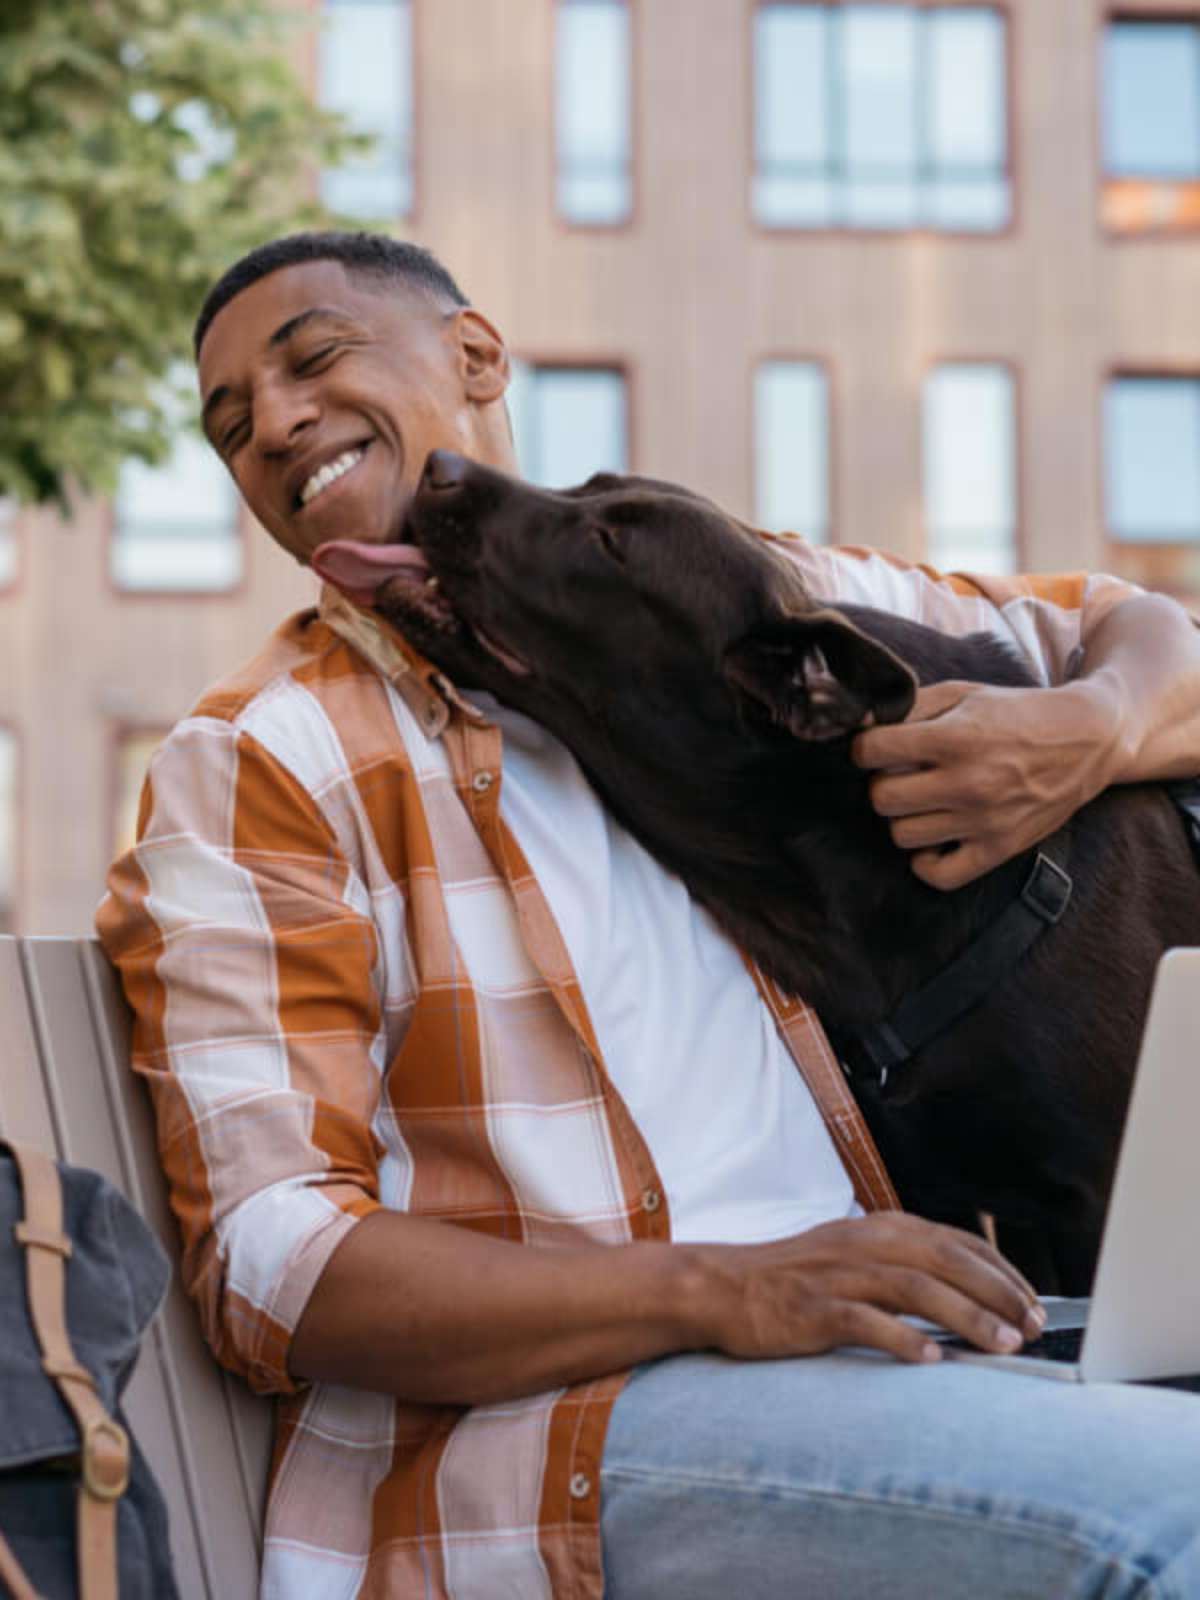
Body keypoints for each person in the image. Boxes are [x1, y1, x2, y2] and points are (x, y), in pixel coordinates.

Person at [97, 231, 1200, 1600]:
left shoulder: (706, 588)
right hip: (560, 1439)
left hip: (891, 1365)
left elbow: (1148, 633)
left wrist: (1092, 728)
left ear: (477, 356)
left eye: (311, 357)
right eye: (228, 424)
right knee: (1183, 1523)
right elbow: (275, 1267)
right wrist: (725, 1287)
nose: (271, 422)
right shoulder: (264, 759)